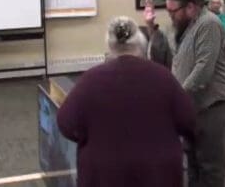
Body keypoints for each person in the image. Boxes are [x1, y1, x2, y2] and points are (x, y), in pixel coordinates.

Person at [57, 16, 196, 187]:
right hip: (158, 175)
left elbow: (66, 124)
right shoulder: (164, 77)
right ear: (141, 43)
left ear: (109, 44)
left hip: (104, 176)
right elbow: (188, 120)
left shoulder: (90, 80)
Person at [145, 0, 225, 187]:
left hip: (212, 108)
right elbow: (168, 53)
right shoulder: (185, 25)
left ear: (191, 7)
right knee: (193, 164)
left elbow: (203, 69)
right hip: (192, 107)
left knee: (211, 170)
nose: (170, 16)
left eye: (172, 11)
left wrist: (176, 97)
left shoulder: (209, 24)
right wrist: (151, 26)